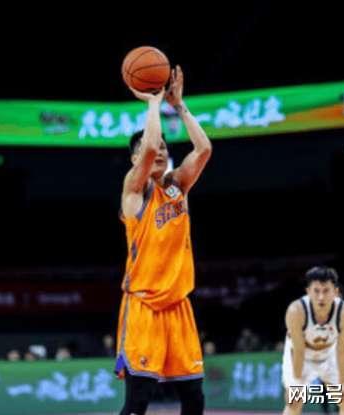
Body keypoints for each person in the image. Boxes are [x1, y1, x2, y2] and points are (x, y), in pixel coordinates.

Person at [115, 65, 212, 415]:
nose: (157, 151)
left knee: (194, 398)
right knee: (138, 400)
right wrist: (154, 103)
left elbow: (203, 149)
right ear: (134, 159)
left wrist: (179, 106)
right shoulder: (133, 191)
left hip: (178, 306)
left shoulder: (177, 186)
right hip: (144, 306)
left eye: (162, 148)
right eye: (148, 148)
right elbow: (149, 148)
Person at [282, 266, 344, 415]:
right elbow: (298, 350)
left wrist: (343, 382)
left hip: (330, 352)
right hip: (301, 354)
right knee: (294, 399)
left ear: (335, 292)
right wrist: (296, 382)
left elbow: (342, 349)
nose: (321, 297)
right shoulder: (296, 311)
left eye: (326, 291)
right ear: (308, 291)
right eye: (316, 291)